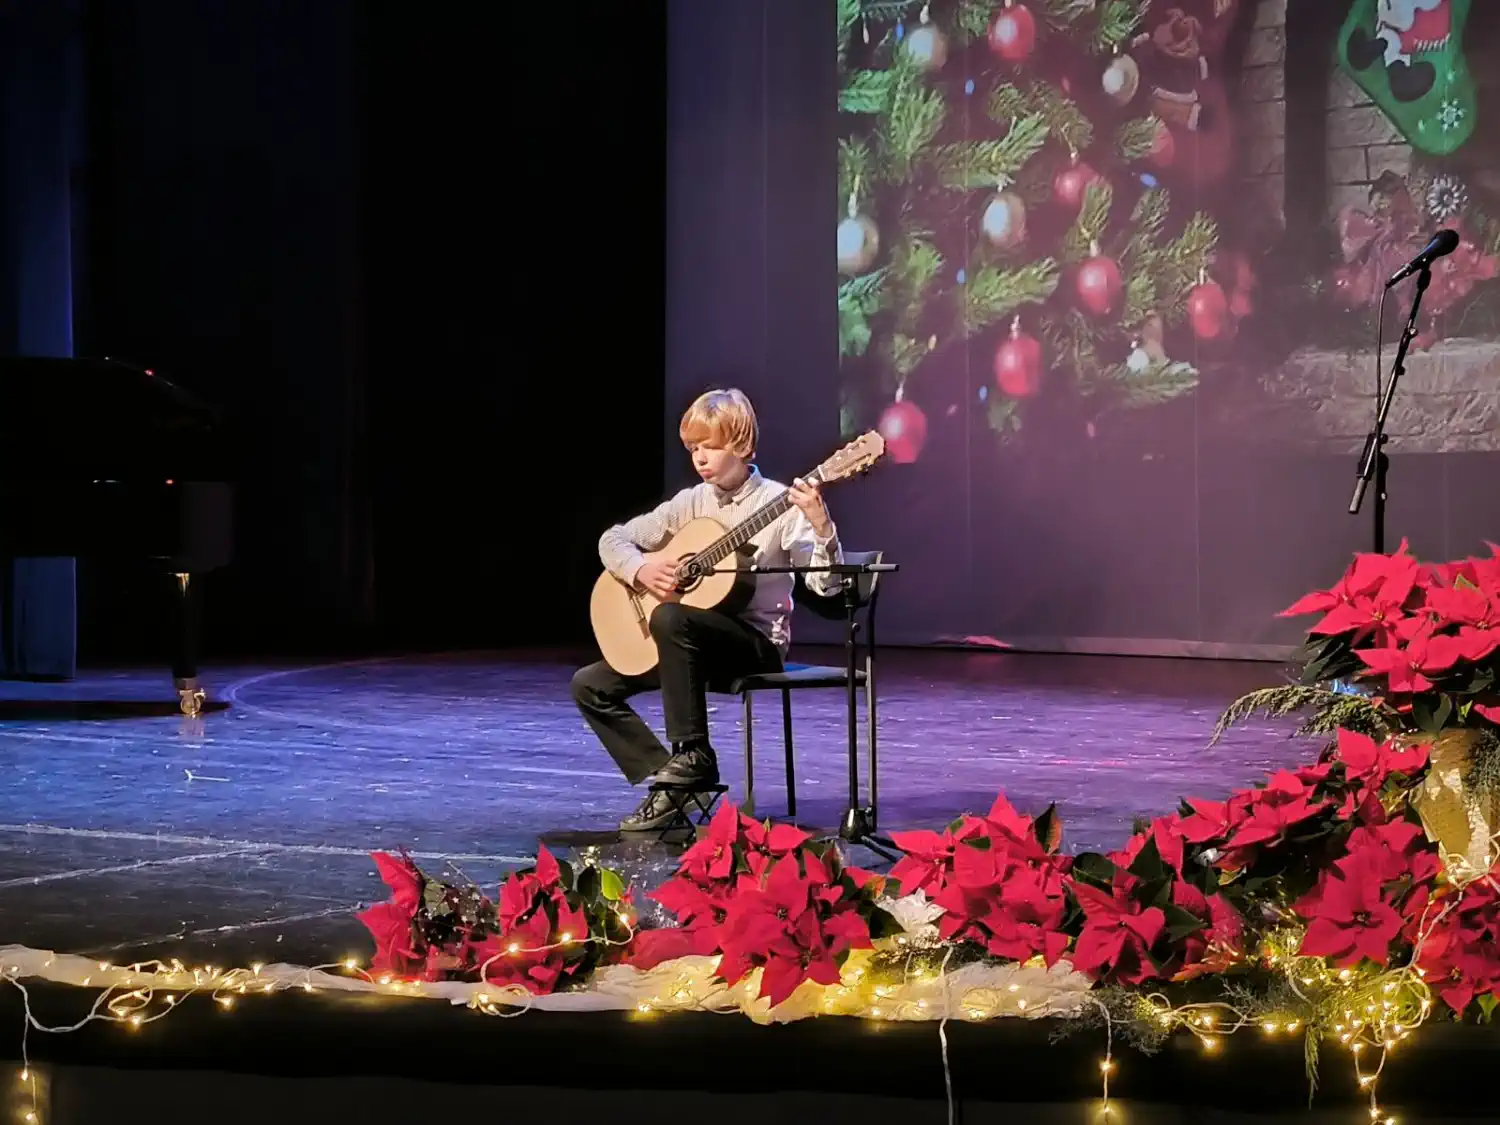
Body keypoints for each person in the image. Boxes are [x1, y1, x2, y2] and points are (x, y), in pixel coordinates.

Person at [571, 388, 845, 831]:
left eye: (710, 446)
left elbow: (826, 586)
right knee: (591, 685)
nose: (699, 457)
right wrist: (641, 571)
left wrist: (821, 526)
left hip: (753, 644)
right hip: (687, 644)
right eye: (693, 448)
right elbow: (613, 539)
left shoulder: (780, 504)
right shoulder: (691, 503)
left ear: (742, 445)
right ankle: (674, 786)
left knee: (671, 617)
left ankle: (694, 754)